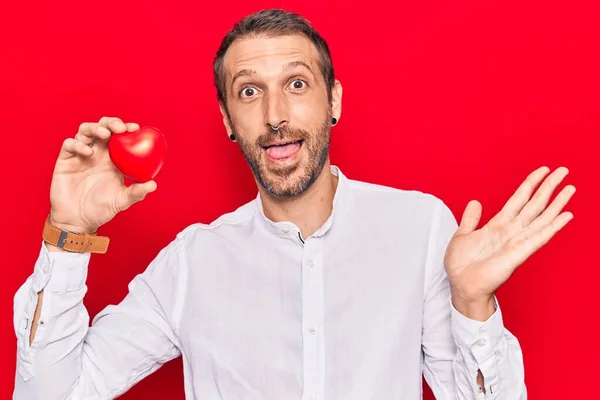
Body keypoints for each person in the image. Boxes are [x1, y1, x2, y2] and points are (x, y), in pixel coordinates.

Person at [12, 8, 575, 400]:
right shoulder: (191, 264)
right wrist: (67, 233)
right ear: (228, 121)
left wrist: (472, 303)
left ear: (334, 101)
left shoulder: (420, 229)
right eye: (250, 91)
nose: (275, 114)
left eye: (298, 84)